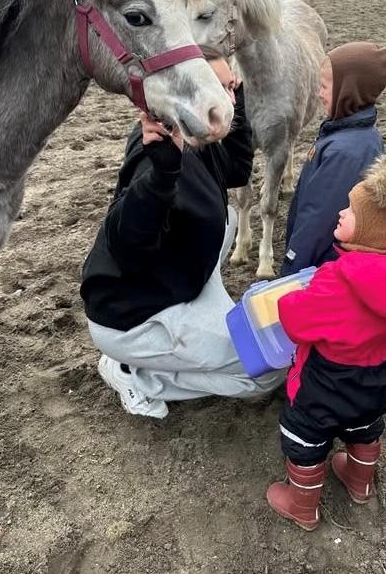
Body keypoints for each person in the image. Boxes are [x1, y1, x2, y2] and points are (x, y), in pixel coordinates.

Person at [80, 46, 283, 419]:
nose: (225, 99)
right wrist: (162, 175)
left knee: (228, 218)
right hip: (135, 316)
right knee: (268, 372)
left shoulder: (199, 139)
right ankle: (136, 375)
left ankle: (193, 328)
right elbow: (127, 244)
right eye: (217, 87)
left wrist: (237, 100)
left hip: (179, 283)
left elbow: (237, 171)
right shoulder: (157, 153)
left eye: (229, 87)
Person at [267, 153, 386, 530]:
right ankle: (359, 482)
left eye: (350, 211)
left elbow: (298, 322)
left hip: (328, 382)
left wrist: (286, 300)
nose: (341, 213)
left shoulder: (339, 280)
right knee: (365, 427)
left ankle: (302, 506)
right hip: (379, 376)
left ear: (371, 234)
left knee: (305, 436)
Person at [280, 41, 386, 277]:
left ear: (347, 90)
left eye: (324, 87)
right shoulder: (349, 136)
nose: (318, 93)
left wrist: (291, 268)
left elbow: (317, 221)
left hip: (320, 270)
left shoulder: (346, 152)